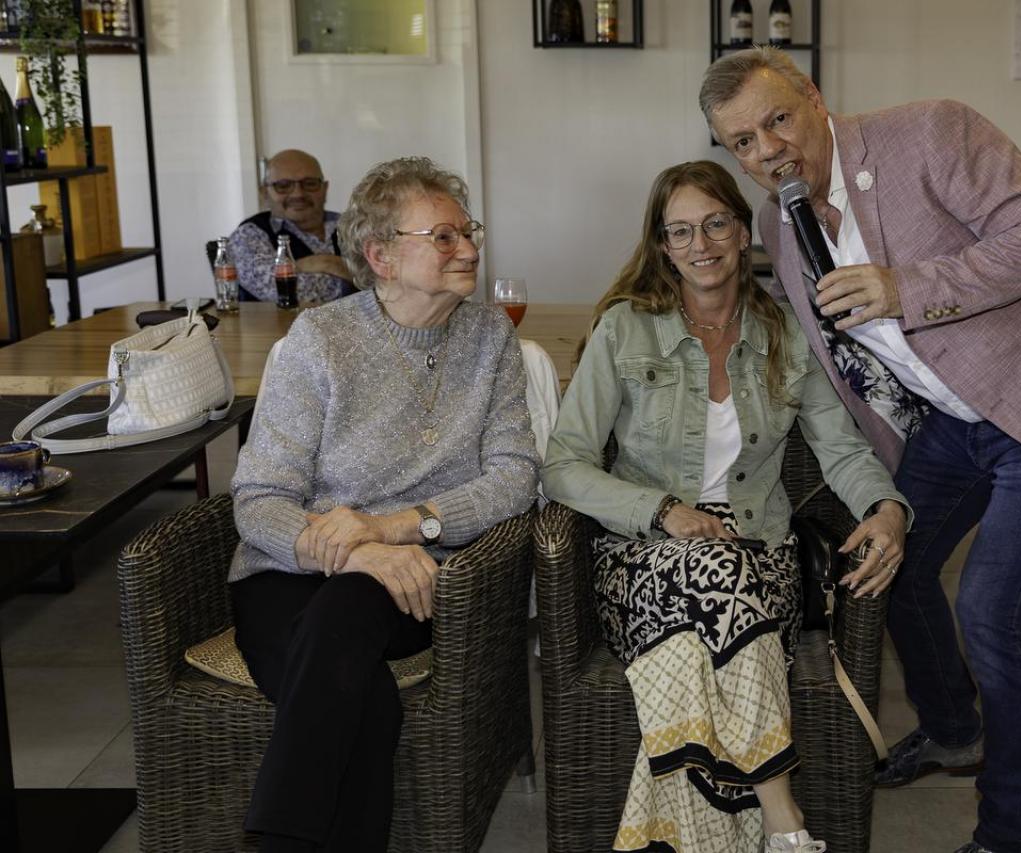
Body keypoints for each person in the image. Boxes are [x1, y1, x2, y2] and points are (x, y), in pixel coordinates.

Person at [700, 48, 1021, 853]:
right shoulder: (780, 221)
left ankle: (1012, 834)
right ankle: (955, 730)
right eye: (743, 141)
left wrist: (906, 286)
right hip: (954, 419)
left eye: (778, 119)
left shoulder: (930, 131)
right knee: (888, 563)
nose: (768, 149)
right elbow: (820, 349)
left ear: (814, 97)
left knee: (992, 613)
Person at [541, 160, 911, 853]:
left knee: (686, 651)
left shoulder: (788, 334)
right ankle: (782, 817)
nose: (700, 243)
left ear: (744, 232)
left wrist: (888, 507)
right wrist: (663, 511)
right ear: (662, 245)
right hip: (642, 557)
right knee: (708, 577)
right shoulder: (625, 329)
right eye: (680, 231)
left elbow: (842, 451)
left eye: (715, 223)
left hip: (757, 555)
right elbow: (563, 464)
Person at [228, 156, 538, 852]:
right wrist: (354, 550)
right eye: (444, 237)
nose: (468, 248)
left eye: (468, 232)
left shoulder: (489, 338)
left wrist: (398, 528)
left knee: (350, 606)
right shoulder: (321, 339)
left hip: (414, 582)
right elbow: (258, 498)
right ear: (381, 256)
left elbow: (515, 477)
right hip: (286, 574)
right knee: (366, 701)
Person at [228, 148, 356, 303]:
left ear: (325, 188)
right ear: (264, 193)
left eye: (309, 184)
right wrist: (336, 267)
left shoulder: (354, 226)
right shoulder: (248, 235)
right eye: (283, 186)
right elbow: (279, 291)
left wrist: (297, 267)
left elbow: (383, 279)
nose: (298, 194)